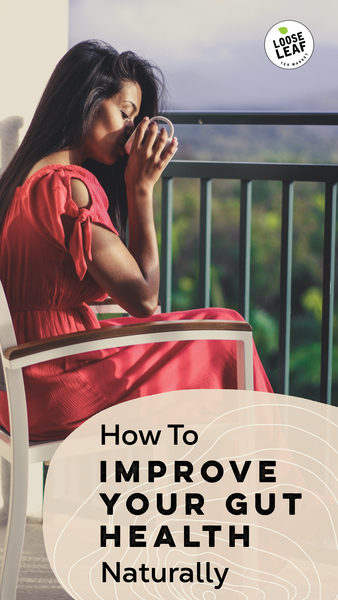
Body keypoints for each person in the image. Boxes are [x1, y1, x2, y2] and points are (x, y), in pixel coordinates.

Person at [0, 40, 272, 442]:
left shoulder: (24, 181)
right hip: (58, 381)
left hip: (26, 382)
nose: (131, 128)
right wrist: (140, 189)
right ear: (86, 100)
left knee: (213, 333)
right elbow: (145, 299)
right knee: (229, 334)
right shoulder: (67, 186)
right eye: (125, 113)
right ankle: (276, 483)